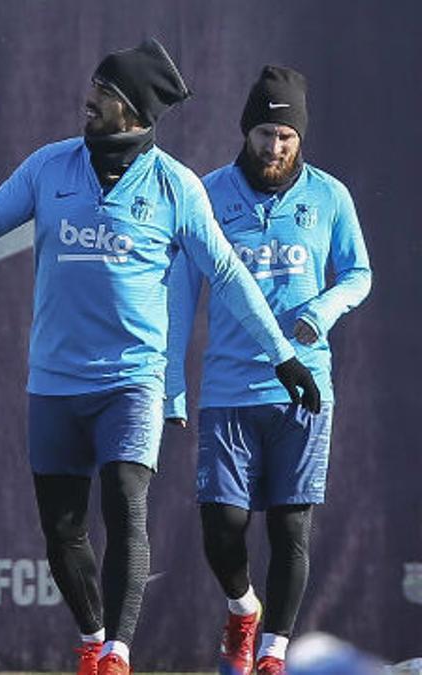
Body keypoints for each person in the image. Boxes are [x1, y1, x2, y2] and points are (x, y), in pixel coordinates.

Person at [0, 39, 321, 675]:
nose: (88, 103)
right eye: (94, 91)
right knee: (62, 530)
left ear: (134, 111)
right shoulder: (49, 167)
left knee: (126, 505)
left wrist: (284, 357)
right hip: (55, 380)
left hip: (133, 380)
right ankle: (93, 639)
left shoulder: (176, 187)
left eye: (104, 95)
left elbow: (229, 277)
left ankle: (119, 654)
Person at [164, 66, 371, 675]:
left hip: (305, 388)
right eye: (263, 133)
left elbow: (358, 273)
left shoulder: (329, 197)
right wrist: (172, 380)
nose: (274, 147)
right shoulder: (208, 195)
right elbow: (181, 290)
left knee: (290, 528)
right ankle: (241, 607)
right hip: (229, 387)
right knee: (222, 525)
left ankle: (274, 654)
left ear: (299, 138)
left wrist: (322, 310)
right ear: (245, 131)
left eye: (285, 136)